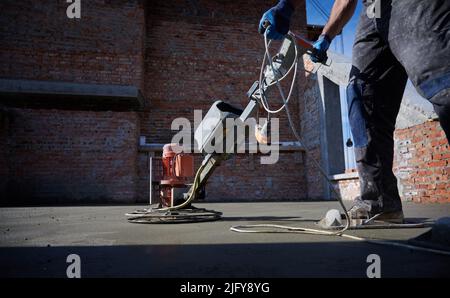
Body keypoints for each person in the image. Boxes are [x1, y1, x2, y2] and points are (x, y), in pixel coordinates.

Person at [259, 0, 450, 223]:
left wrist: (287, 6)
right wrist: (325, 36)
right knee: (362, 97)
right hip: (374, 9)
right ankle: (380, 202)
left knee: (440, 79)